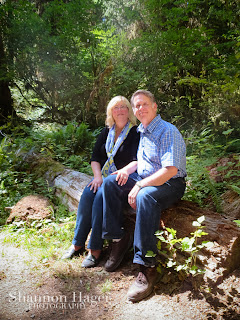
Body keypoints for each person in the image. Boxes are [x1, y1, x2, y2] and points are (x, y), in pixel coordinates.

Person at [101, 90, 187, 302]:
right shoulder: (143, 130)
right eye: (136, 106)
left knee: (145, 196)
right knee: (111, 182)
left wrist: (139, 184)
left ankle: (147, 267)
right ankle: (119, 239)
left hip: (170, 183)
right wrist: (127, 171)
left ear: (155, 106)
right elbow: (144, 161)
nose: (140, 109)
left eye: (144, 104)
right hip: (147, 178)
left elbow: (170, 170)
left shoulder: (167, 130)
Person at [61, 96, 140, 267]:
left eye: (123, 107)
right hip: (104, 178)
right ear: (111, 112)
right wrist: (97, 177)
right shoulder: (106, 132)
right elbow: (95, 158)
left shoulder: (136, 132)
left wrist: (122, 172)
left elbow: (137, 160)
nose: (120, 110)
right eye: (116, 107)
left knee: (99, 199)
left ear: (129, 110)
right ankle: (77, 243)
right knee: (88, 194)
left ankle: (94, 249)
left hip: (123, 179)